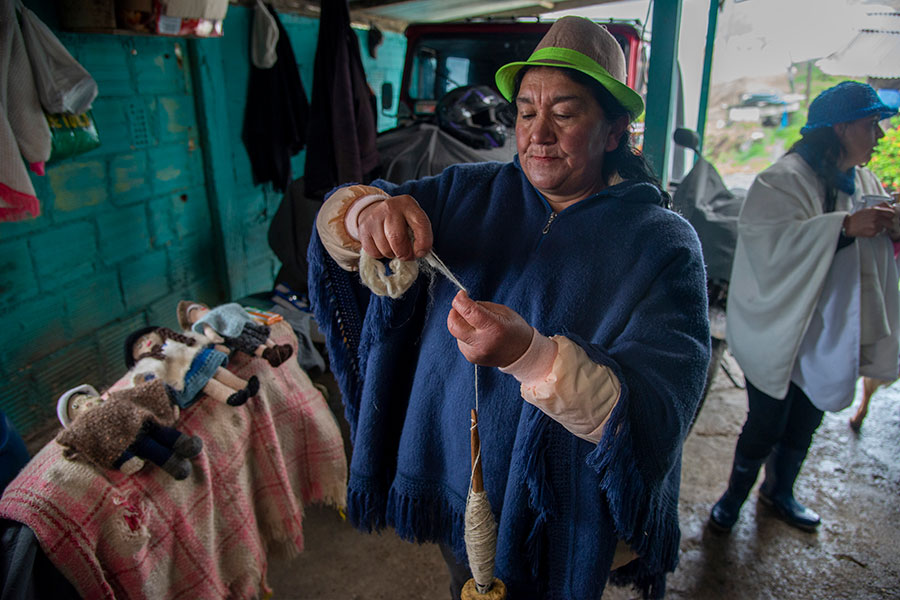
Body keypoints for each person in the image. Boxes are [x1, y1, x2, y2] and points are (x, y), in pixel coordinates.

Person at [308, 16, 709, 599]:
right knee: (465, 579)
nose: (537, 135)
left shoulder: (661, 243)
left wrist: (530, 356)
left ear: (616, 130)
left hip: (563, 510)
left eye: (565, 114)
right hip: (456, 478)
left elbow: (659, 406)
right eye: (525, 112)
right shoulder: (467, 192)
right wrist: (367, 213)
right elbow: (337, 223)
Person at [711, 81, 899, 533]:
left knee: (806, 418)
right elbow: (768, 247)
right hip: (778, 329)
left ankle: (779, 492)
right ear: (840, 128)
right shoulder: (783, 179)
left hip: (827, 329)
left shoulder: (863, 179)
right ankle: (732, 500)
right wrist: (846, 226)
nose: (880, 136)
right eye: (871, 125)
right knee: (765, 422)